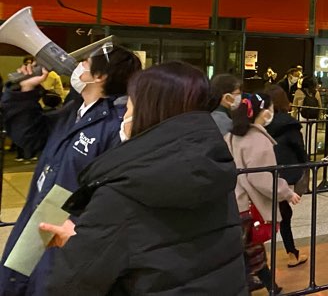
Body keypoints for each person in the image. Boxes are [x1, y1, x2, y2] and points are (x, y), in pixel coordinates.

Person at [41, 62, 246, 294]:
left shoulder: (121, 193)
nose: (124, 117)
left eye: (129, 108)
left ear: (146, 113)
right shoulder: (215, 170)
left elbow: (70, 287)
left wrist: (80, 245)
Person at [0, 45, 141, 296]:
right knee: (17, 281)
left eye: (84, 63)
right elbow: (30, 138)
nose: (77, 68)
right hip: (39, 216)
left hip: (68, 230)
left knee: (46, 285)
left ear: (100, 77)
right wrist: (25, 92)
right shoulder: (73, 112)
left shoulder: (116, 125)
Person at [226, 92, 302, 293]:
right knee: (250, 251)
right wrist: (286, 192)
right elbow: (262, 179)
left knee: (248, 251)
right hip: (249, 205)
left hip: (233, 202)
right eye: (270, 108)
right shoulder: (258, 141)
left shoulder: (232, 136)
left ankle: (271, 287)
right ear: (264, 111)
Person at [264, 85, 310, 268]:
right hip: (285, 172)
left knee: (279, 211)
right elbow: (299, 148)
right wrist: (306, 164)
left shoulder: (259, 124)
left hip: (263, 172)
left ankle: (291, 252)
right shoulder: (290, 125)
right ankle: (291, 253)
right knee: (283, 212)